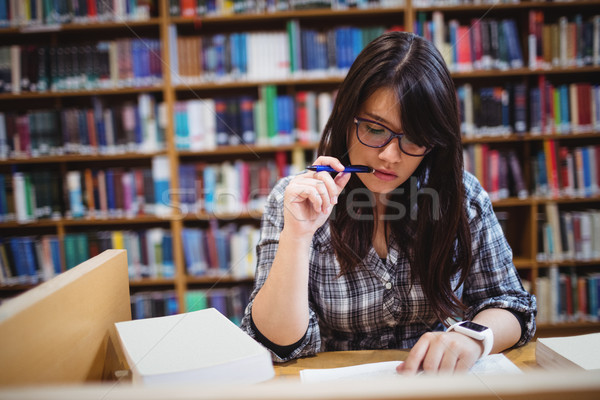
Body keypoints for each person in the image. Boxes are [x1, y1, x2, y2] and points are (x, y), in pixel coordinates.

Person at [240, 31, 536, 374]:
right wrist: (298, 235)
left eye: (413, 138)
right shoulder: (296, 197)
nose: (390, 156)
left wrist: (472, 337)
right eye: (375, 129)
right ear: (346, 119)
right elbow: (278, 344)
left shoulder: (462, 196)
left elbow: (512, 306)